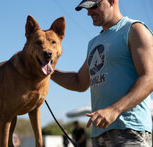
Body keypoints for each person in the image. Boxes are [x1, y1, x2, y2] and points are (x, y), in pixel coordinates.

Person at [51, 0, 153, 146]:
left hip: (130, 131)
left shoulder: (135, 29)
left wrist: (113, 110)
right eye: (87, 8)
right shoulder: (93, 43)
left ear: (112, 1)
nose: (89, 12)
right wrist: (47, 71)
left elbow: (149, 77)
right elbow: (79, 82)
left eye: (94, 6)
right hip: (99, 135)